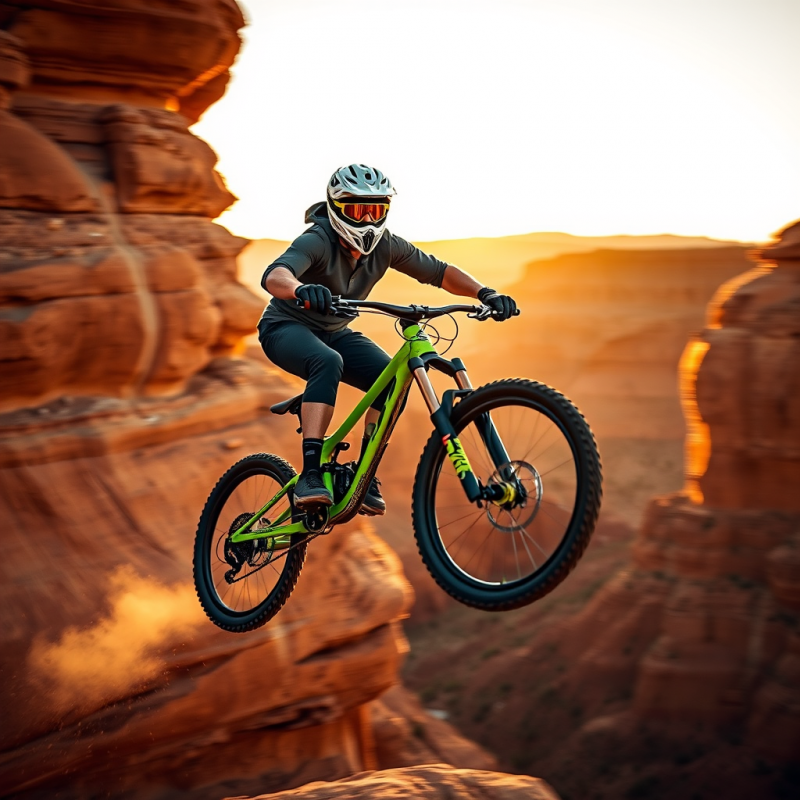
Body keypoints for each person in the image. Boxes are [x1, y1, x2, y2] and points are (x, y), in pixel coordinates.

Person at [258, 164, 518, 512]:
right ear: (336, 209)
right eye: (357, 210)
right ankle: (310, 474)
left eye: (375, 210)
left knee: (390, 379)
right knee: (327, 361)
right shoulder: (317, 240)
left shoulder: (387, 246)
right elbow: (276, 274)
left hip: (336, 332)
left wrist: (484, 293)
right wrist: (301, 288)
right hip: (286, 328)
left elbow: (440, 272)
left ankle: (362, 477)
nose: (366, 220)